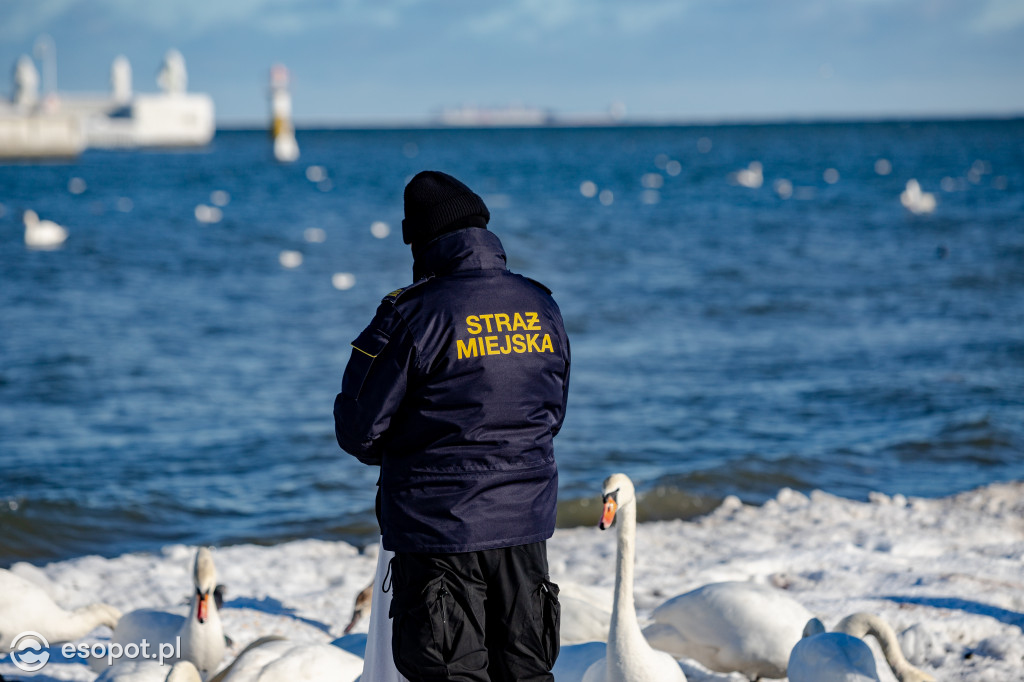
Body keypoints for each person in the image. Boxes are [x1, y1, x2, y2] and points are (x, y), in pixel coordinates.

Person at [334, 170, 571, 682]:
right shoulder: (540, 304)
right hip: (524, 528)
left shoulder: (411, 314)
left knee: (450, 674)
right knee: (527, 673)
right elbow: (550, 414)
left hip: (439, 531)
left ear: (421, 241)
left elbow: (360, 428)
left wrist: (420, 447)